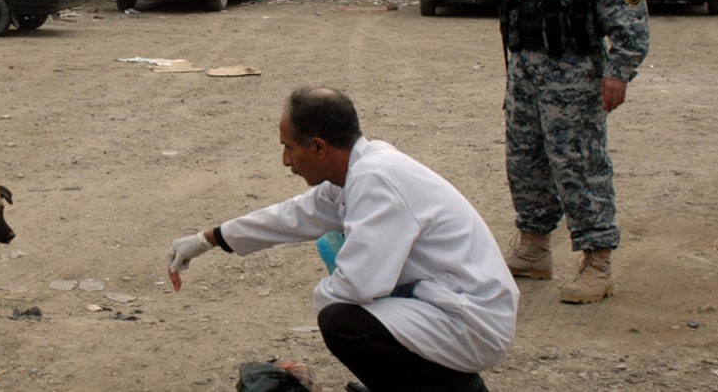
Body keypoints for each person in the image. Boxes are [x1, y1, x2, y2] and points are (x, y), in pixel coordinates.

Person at [167, 87, 518, 392]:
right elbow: (293, 215)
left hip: (472, 319)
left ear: (319, 148)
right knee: (344, 312)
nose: (286, 160)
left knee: (342, 322)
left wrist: (324, 299)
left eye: (289, 148)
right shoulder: (358, 168)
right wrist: (208, 239)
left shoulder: (376, 179)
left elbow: (360, 284)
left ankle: (457, 389)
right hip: (446, 303)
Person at [499, 0, 649, 304]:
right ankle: (535, 248)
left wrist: (619, 69)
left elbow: (627, 6)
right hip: (528, 69)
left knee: (580, 165)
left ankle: (598, 261)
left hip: (575, 72)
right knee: (525, 160)